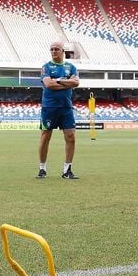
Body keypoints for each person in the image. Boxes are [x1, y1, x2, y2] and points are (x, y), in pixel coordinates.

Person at [38, 42, 79, 180]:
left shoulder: (71, 67)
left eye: (57, 49)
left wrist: (58, 81)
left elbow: (76, 83)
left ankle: (67, 170)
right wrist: (66, 82)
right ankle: (42, 168)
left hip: (66, 108)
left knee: (71, 138)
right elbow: (48, 84)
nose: (54, 51)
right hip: (49, 107)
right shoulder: (46, 67)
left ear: (63, 51)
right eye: (52, 49)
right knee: (45, 137)